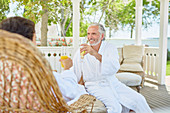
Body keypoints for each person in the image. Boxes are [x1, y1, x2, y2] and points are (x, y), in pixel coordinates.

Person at [0, 16, 87, 105]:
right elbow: (71, 92)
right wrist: (67, 69)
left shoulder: (5, 70)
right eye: (35, 38)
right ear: (30, 40)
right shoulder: (34, 72)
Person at [72, 23, 153, 113]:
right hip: (94, 85)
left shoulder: (110, 48)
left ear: (102, 36)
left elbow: (114, 66)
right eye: (88, 34)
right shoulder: (81, 50)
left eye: (93, 34)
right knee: (115, 107)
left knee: (139, 99)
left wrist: (94, 53)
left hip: (112, 82)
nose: (90, 37)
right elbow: (76, 71)